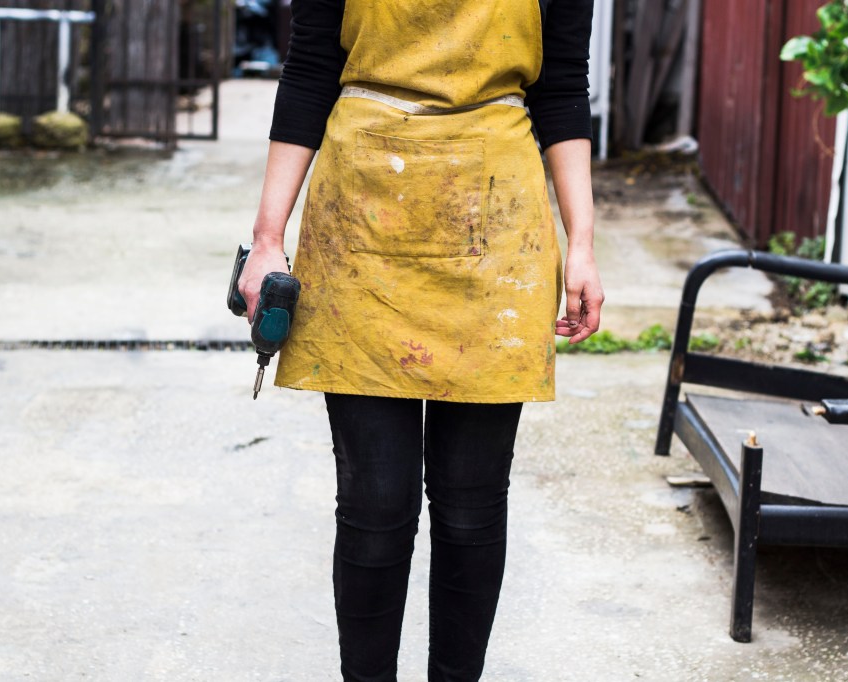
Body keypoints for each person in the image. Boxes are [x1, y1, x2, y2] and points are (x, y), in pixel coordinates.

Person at [237, 1, 603, 679]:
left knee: (471, 505)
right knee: (375, 502)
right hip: (360, 210)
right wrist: (266, 238)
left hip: (498, 219)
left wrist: (581, 241)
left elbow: (561, 85)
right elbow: (311, 66)